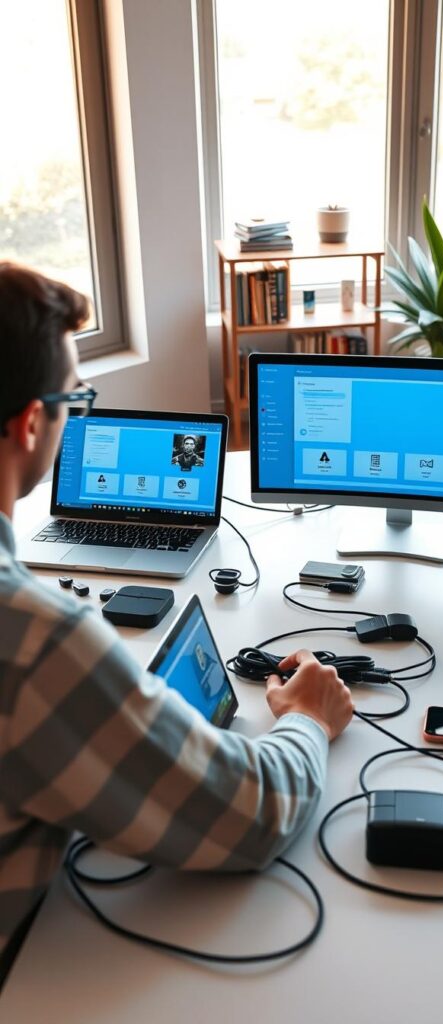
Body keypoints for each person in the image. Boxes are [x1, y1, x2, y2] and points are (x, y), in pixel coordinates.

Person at [0, 263, 354, 985]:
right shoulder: (35, 640)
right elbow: (249, 816)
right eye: (75, 399)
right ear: (32, 421)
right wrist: (309, 720)